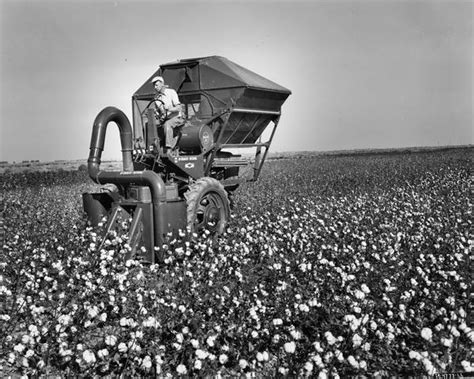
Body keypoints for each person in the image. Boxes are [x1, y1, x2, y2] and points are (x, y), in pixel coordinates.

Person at [151, 76, 183, 152]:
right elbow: (158, 112)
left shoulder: (171, 92)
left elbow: (179, 108)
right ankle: (156, 150)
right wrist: (156, 114)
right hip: (165, 119)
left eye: (156, 85)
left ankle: (169, 149)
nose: (155, 87)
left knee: (167, 125)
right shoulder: (156, 98)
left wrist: (170, 109)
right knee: (153, 127)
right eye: (154, 85)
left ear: (162, 84)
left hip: (176, 118)